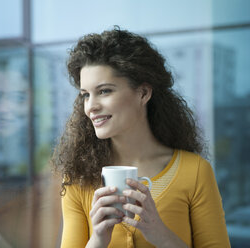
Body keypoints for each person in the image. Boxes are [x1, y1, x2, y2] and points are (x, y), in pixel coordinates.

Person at [52, 27, 230, 248]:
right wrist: (97, 240)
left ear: (143, 93)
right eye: (85, 95)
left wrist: (161, 235)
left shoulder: (195, 172)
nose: (91, 107)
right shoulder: (77, 179)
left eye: (105, 91)